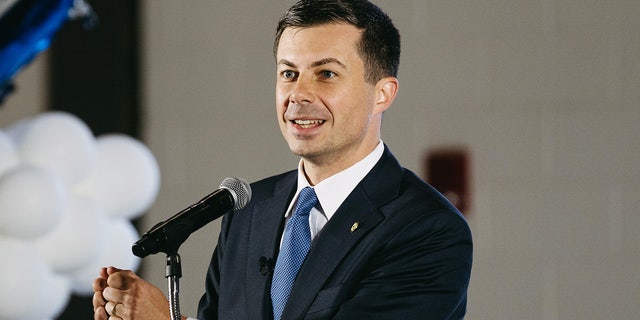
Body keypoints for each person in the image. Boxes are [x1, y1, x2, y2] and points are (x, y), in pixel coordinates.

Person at [92, 0, 473, 319]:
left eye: (325, 74)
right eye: (288, 73)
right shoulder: (247, 210)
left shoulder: (428, 230)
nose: (299, 94)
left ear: (382, 94)